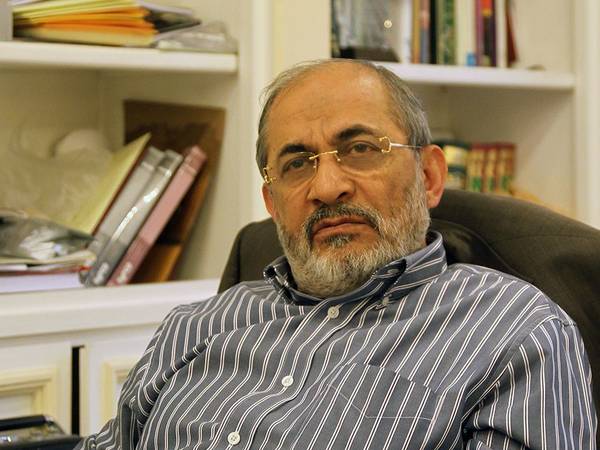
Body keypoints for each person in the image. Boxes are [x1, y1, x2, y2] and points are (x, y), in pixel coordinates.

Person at [78, 59, 597, 450]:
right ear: (272, 203)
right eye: (297, 163)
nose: (327, 187)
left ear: (430, 176)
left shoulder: (515, 334)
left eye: (360, 149)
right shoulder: (194, 328)